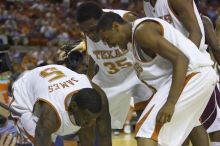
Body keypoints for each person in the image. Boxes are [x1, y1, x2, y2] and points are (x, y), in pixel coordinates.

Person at [97, 12, 218, 146]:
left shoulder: (142, 31)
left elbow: (181, 59)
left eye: (107, 39)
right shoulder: (132, 44)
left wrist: (170, 103)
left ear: (116, 27)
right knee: (177, 134)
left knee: (146, 134)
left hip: (193, 75)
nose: (109, 44)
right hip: (194, 78)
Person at [143, 0, 220, 145]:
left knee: (199, 123)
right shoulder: (147, 5)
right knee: (186, 121)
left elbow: (196, 31)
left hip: (194, 65)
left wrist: (184, 64)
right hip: (174, 67)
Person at [76, 1, 153, 131]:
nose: (90, 34)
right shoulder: (88, 29)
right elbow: (93, 58)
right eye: (85, 31)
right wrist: (88, 81)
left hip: (135, 74)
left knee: (147, 123)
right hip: (110, 80)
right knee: (92, 121)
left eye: (92, 30)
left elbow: (149, 43)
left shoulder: (126, 19)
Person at [9, 64, 112, 146]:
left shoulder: (100, 99)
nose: (90, 122)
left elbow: (105, 136)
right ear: (74, 106)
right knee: (39, 139)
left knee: (86, 126)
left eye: (93, 118)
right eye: (86, 117)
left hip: (55, 76)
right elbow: (42, 136)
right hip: (25, 94)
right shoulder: (51, 116)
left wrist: (87, 119)